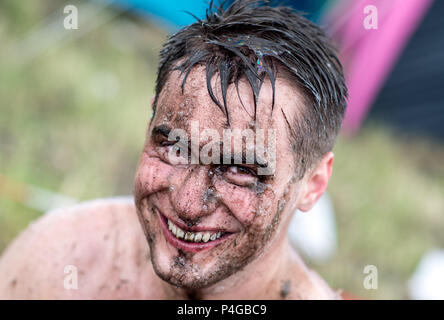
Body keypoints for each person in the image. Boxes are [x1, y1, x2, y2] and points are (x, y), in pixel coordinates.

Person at [0, 0, 347, 299]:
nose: (188, 204)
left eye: (240, 170)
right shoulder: (59, 260)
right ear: (149, 126)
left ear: (313, 184)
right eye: (175, 148)